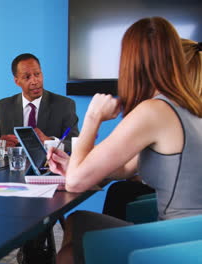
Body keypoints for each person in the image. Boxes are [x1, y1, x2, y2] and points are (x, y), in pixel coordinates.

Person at [47, 17, 202, 263]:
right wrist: (75, 164)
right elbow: (125, 167)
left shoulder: (154, 111)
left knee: (71, 251)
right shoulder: (187, 107)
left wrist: (93, 117)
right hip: (193, 236)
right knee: (78, 222)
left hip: (177, 243)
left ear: (131, 62)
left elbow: (76, 183)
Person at [0, 53, 79, 151]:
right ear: (17, 81)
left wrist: (49, 141)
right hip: (14, 165)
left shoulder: (64, 105)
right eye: (27, 77)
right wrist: (0, 144)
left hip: (49, 165)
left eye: (37, 74)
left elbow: (75, 144)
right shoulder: (3, 106)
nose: (34, 81)